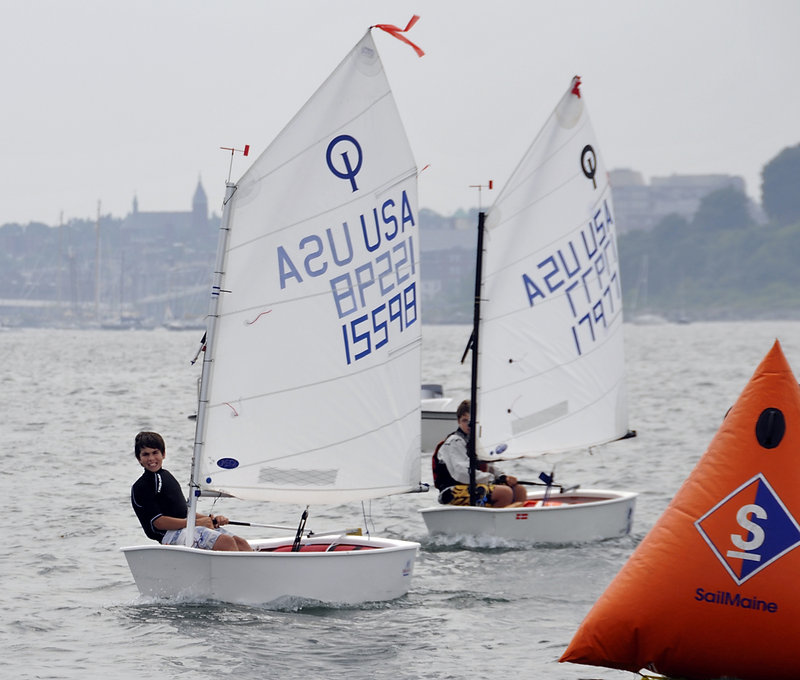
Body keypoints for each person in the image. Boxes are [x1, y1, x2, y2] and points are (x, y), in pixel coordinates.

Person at [130, 431, 252, 551]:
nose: (151, 458)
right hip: (170, 535)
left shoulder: (166, 476)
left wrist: (210, 519)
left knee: (241, 543)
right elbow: (158, 523)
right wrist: (196, 523)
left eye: (155, 452)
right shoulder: (141, 486)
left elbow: (182, 512)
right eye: (146, 454)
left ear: (163, 454)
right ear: (139, 458)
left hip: (186, 526)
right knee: (226, 542)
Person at [433, 400, 527, 507]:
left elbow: (488, 466)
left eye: (472, 421)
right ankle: (494, 520)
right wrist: (492, 478)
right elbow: (462, 473)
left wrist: (503, 476)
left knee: (519, 490)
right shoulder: (454, 442)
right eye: (465, 420)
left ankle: (512, 519)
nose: (469, 425)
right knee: (504, 493)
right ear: (458, 421)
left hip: (474, 486)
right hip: (452, 492)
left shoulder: (476, 442)